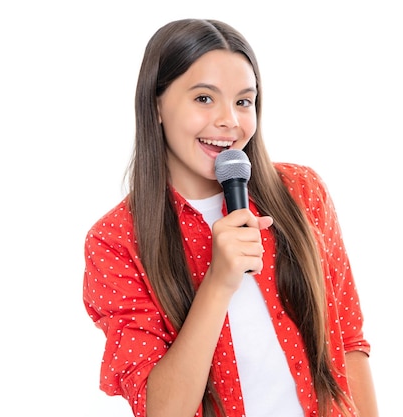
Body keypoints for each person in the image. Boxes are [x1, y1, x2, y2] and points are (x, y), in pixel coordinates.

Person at [82, 18, 378, 417]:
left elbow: (348, 342)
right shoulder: (116, 241)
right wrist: (219, 282)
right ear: (156, 106)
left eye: (243, 101)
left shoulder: (303, 193)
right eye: (204, 98)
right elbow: (162, 410)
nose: (230, 122)